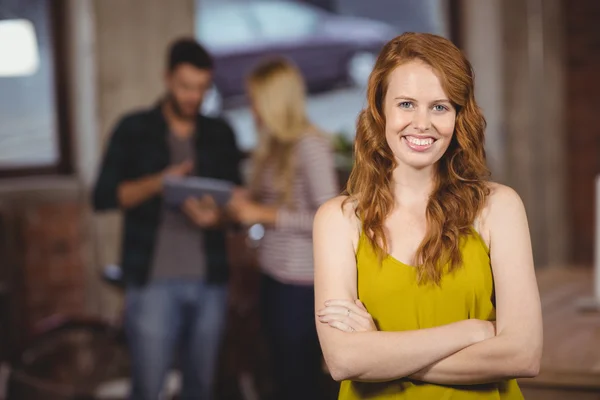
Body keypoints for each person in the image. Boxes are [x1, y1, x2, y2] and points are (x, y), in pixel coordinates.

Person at [313, 32, 543, 399]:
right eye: (406, 104)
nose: (422, 123)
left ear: (458, 116)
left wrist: (381, 352)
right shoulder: (338, 220)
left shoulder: (498, 208)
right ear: (380, 109)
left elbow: (523, 354)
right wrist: (472, 332)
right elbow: (344, 360)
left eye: (440, 106)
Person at [92, 38, 242, 400]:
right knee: (148, 387)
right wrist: (159, 183)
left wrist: (217, 217)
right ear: (167, 79)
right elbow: (103, 197)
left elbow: (238, 204)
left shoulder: (220, 133)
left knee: (201, 388)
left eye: (202, 88)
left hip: (210, 282)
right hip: (151, 282)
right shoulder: (133, 129)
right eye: (185, 86)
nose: (194, 96)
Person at [227, 58, 339, 400]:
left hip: (301, 287)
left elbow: (330, 218)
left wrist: (264, 213)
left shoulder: (311, 146)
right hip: (274, 277)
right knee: (280, 375)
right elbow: (274, 205)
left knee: (298, 380)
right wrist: (246, 201)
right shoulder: (276, 145)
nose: (252, 108)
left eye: (255, 99)